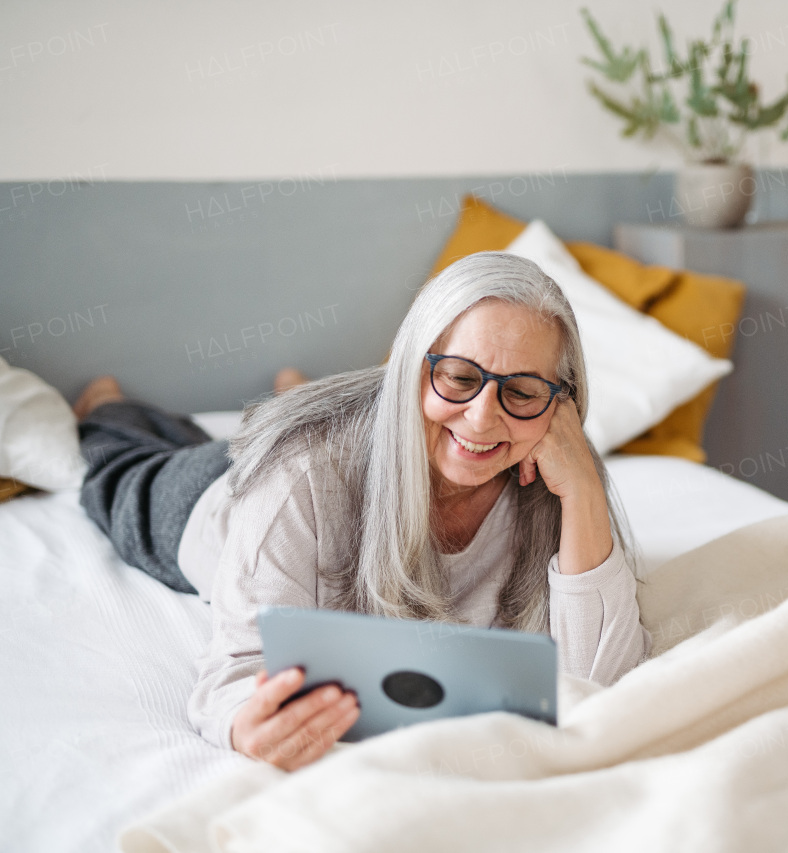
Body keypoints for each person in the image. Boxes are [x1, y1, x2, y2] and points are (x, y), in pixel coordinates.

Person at [74, 252, 651, 772]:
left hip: (325, 450)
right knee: (117, 464)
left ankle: (295, 393)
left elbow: (599, 685)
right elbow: (236, 670)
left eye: (522, 391)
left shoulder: (557, 470)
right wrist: (241, 724)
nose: (481, 419)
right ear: (410, 370)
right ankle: (109, 405)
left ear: (563, 404)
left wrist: (585, 493)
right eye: (458, 378)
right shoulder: (298, 473)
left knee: (309, 424)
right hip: (211, 502)